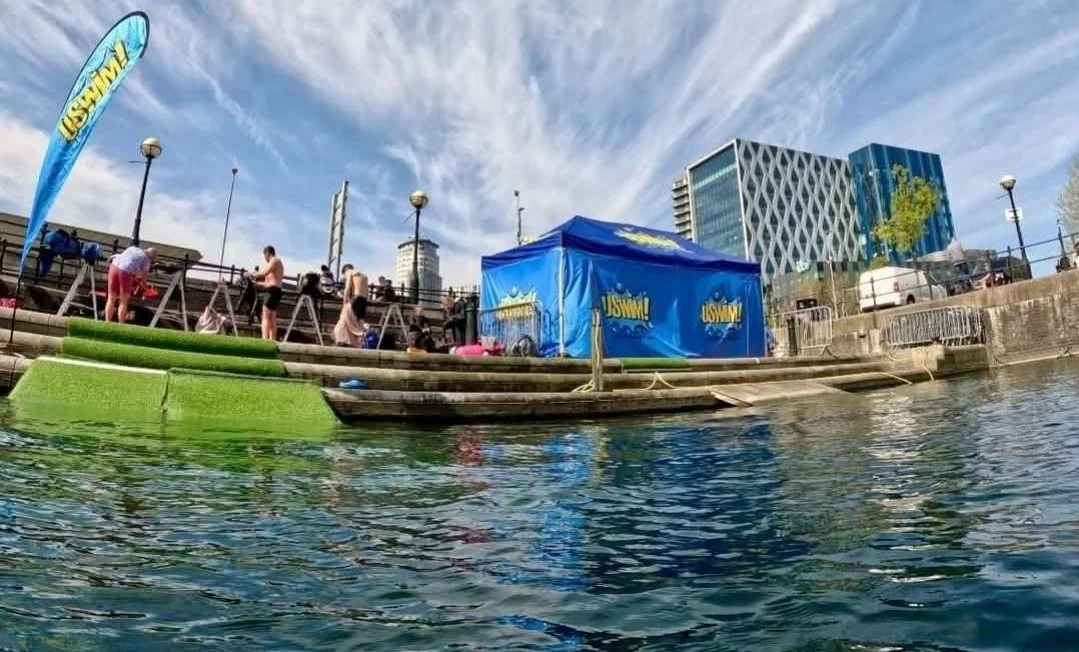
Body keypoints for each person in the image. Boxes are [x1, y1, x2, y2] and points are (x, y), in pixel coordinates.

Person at [105, 245, 157, 323]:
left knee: (111, 298)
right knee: (123, 301)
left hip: (114, 267)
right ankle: (121, 323)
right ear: (152, 258)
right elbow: (144, 277)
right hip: (126, 272)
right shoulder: (146, 260)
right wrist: (144, 288)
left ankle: (107, 321)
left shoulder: (132, 248)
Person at [245, 246, 283, 340]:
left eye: (264, 255)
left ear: (267, 253)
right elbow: (267, 282)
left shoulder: (274, 260)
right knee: (272, 316)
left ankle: (264, 339)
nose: (264, 258)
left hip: (273, 290)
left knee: (265, 315)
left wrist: (251, 274)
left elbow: (264, 273)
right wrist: (255, 282)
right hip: (274, 290)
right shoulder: (274, 263)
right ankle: (272, 340)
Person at [333, 264, 368, 347]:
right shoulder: (364, 276)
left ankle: (342, 341)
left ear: (345, 270)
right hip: (363, 301)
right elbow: (366, 291)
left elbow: (347, 288)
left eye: (344, 274)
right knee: (357, 323)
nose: (345, 276)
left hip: (356, 299)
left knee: (343, 321)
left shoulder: (350, 272)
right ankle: (357, 343)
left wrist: (344, 302)